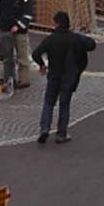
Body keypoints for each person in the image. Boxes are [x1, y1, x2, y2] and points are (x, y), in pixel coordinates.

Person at [32, 10, 95, 145]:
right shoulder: (75, 38)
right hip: (69, 77)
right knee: (64, 104)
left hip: (53, 76)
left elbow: (36, 54)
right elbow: (91, 44)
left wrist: (42, 65)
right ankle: (61, 134)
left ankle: (44, 129)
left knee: (49, 103)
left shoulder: (51, 39)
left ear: (56, 24)